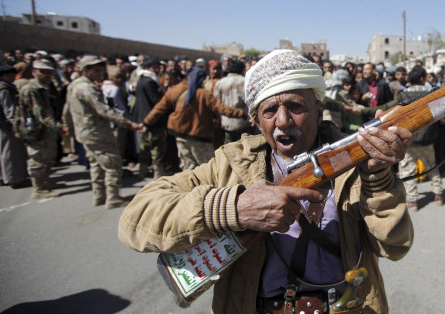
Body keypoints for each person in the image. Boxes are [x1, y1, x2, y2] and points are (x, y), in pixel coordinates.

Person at [118, 49, 413, 313]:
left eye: (296, 106)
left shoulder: (356, 161)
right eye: (269, 110)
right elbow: (135, 220)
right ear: (256, 122)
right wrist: (231, 208)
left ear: (318, 111)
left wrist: (377, 178)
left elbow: (395, 247)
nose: (283, 120)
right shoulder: (232, 164)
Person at [64, 55, 145, 208]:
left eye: (102, 71)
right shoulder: (88, 88)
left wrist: (66, 124)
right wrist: (129, 124)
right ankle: (113, 198)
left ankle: (99, 195)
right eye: (96, 71)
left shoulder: (74, 85)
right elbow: (104, 111)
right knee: (112, 164)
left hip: (84, 133)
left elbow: (67, 109)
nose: (100, 74)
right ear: (85, 70)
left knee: (96, 164)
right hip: (97, 133)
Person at [142, 67, 244, 170]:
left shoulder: (175, 90)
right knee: (208, 167)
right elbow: (222, 109)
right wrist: (242, 114)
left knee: (188, 166)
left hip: (180, 134)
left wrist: (146, 123)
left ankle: (190, 185)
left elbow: (159, 108)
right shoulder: (204, 94)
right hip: (200, 135)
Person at [397, 66, 445, 210]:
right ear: (422, 79)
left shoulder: (401, 96)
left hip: (409, 142)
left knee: (408, 171)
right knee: (433, 168)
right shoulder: (430, 94)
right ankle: (438, 195)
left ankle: (412, 201)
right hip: (428, 140)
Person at [19, 59, 70, 198]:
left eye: (49, 72)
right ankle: (39, 189)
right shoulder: (31, 89)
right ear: (34, 72)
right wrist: (59, 127)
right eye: (43, 72)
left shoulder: (44, 86)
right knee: (38, 159)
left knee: (48, 157)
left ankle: (46, 182)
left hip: (46, 129)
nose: (47, 75)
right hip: (35, 131)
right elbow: (41, 114)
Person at [134, 58, 168, 179]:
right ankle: (158, 173)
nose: (158, 70)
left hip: (142, 118)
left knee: (145, 145)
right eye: (155, 68)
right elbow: (157, 101)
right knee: (156, 146)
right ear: (148, 68)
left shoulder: (141, 80)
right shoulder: (149, 82)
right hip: (152, 120)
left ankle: (142, 170)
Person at [0, 64, 27, 188]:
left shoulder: (8, 87)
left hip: (5, 124)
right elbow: (9, 110)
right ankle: (14, 179)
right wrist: (15, 124)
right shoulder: (5, 90)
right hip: (7, 126)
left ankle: (5, 177)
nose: (11, 77)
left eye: (12, 74)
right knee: (11, 153)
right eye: (7, 75)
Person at [213, 59, 251, 144]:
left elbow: (217, 104)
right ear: (242, 69)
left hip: (227, 123)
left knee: (229, 149)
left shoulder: (220, 83)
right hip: (244, 121)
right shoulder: (245, 81)